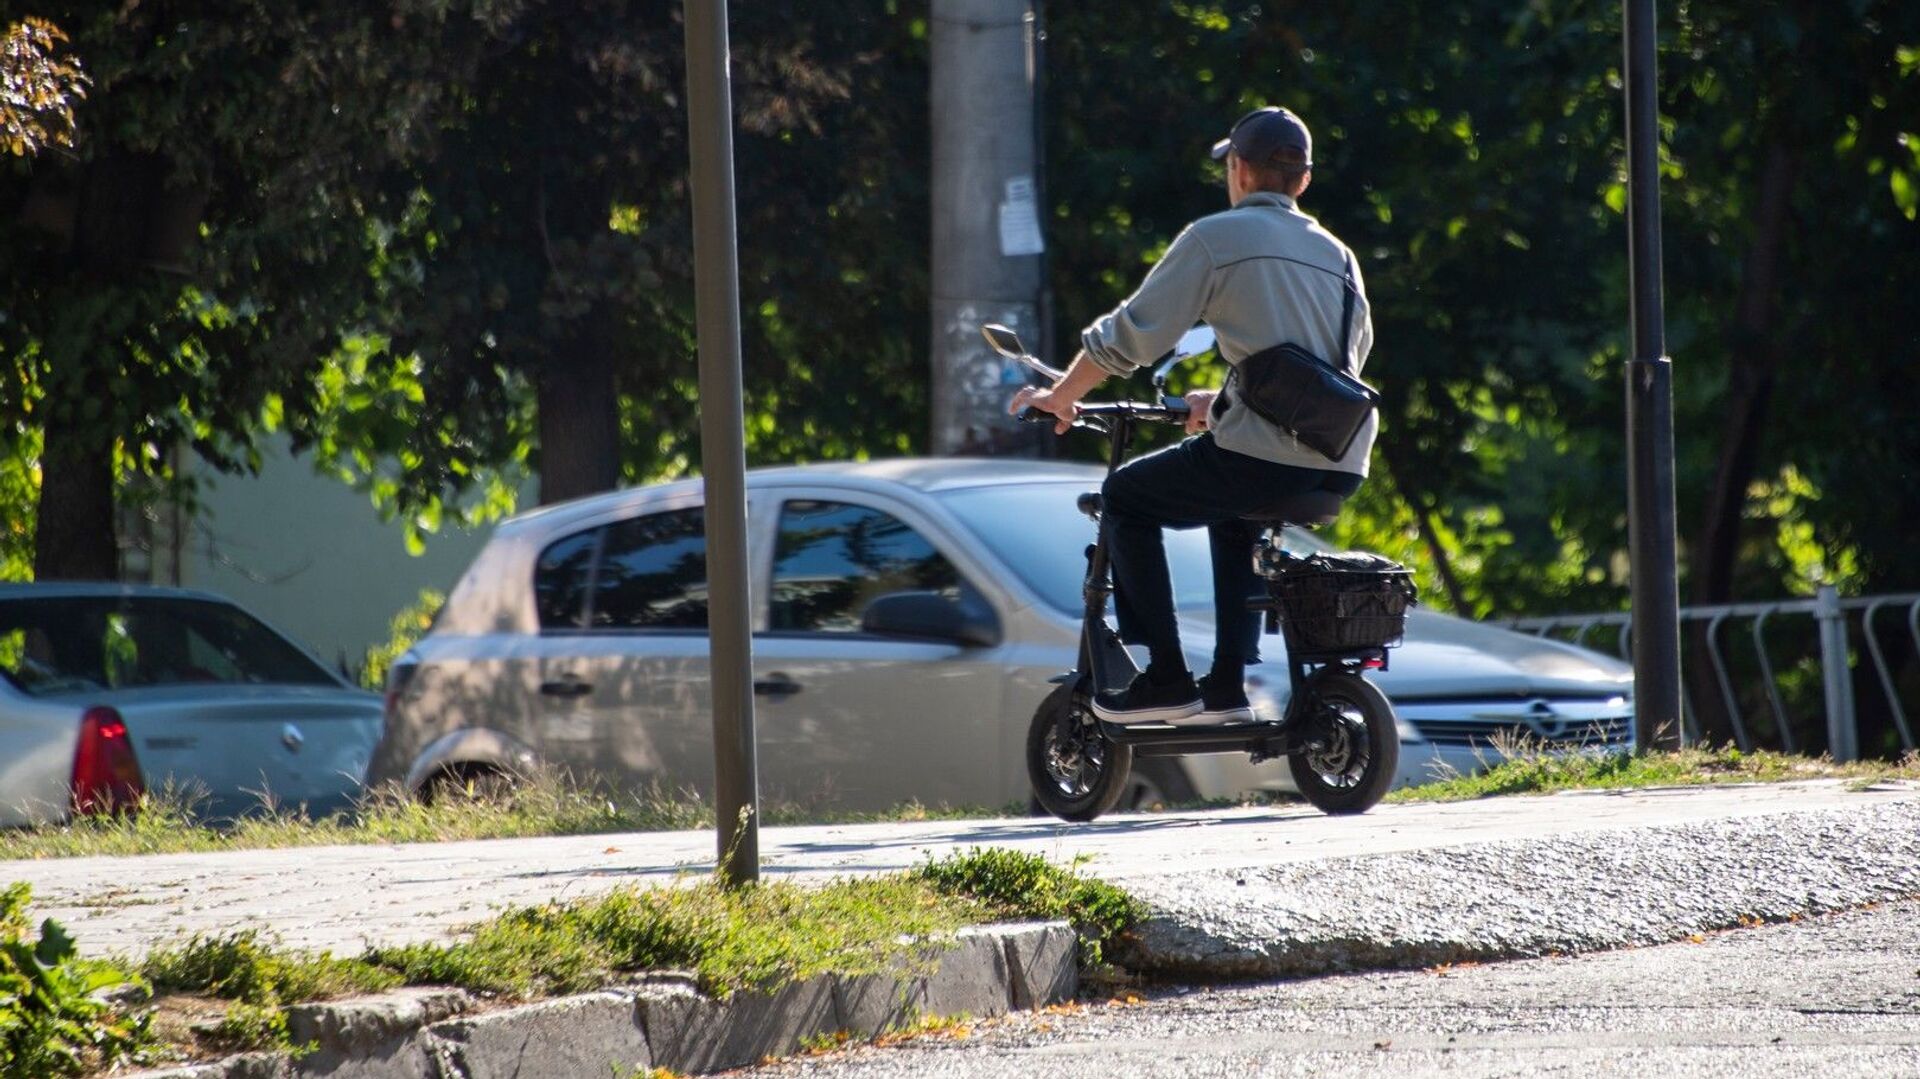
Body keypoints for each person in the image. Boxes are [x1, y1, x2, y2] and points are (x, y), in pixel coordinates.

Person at [1007, 105, 1375, 726]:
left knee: (1125, 497)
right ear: (1303, 181)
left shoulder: (1215, 238)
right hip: (1342, 461)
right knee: (1235, 519)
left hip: (1262, 457)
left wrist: (1063, 394)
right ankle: (1227, 685)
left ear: (1237, 169)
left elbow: (1132, 335)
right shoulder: (1339, 256)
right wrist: (1225, 404)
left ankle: (1168, 679)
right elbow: (1332, 367)